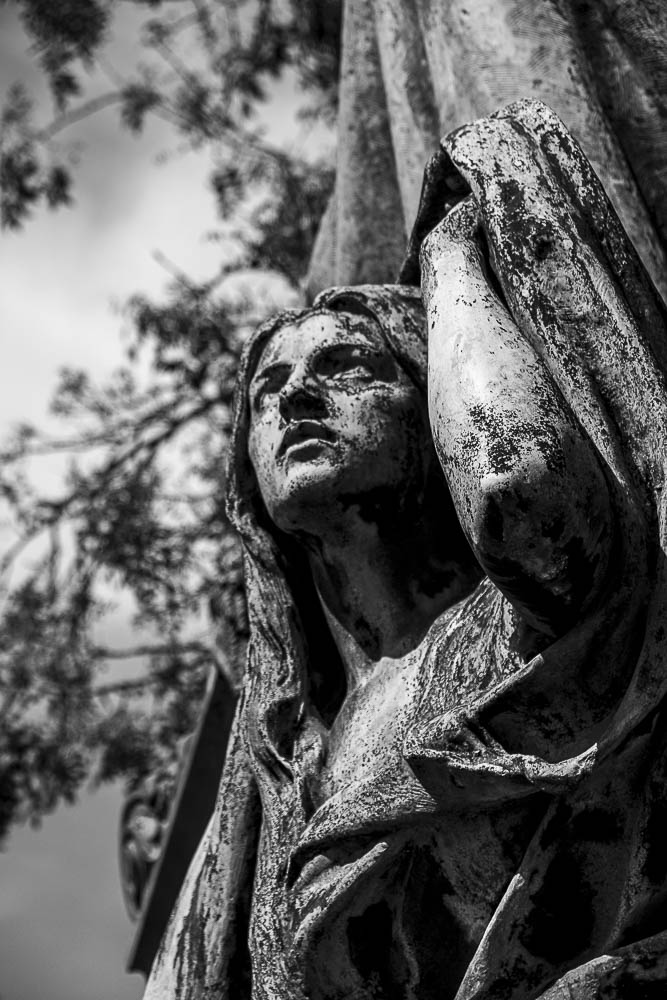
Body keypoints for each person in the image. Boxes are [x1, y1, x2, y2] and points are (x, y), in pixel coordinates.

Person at [146, 101, 667, 1000]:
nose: (296, 401)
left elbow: (513, 483)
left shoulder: (520, 637)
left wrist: (449, 257)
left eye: (346, 367)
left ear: (431, 413)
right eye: (269, 389)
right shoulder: (278, 764)